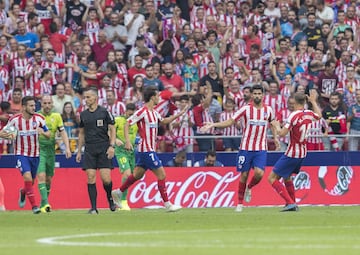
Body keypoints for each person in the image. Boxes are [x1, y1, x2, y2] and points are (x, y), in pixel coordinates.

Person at [201, 84, 279, 212]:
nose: (257, 96)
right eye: (255, 94)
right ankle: (240, 203)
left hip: (261, 148)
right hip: (245, 148)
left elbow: (273, 124)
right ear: (252, 95)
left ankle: (250, 187)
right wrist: (214, 124)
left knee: (259, 173)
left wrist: (275, 137)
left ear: (263, 95)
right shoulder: (245, 109)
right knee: (244, 174)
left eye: (260, 94)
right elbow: (230, 121)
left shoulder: (269, 110)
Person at [111, 85, 188, 212]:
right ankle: (168, 204)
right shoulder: (142, 112)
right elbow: (127, 124)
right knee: (162, 175)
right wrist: (128, 141)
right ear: (152, 97)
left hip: (147, 150)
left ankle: (118, 192)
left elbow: (163, 121)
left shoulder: (154, 112)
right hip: (146, 150)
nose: (159, 98)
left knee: (136, 175)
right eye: (157, 96)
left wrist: (179, 114)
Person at [269, 90, 321, 211]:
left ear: (295, 103)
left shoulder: (293, 115)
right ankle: (292, 204)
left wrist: (276, 125)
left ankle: (290, 202)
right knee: (286, 177)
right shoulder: (308, 113)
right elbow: (319, 116)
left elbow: (282, 133)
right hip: (303, 152)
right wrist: (313, 102)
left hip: (292, 152)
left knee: (271, 178)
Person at [0, 96, 51, 214]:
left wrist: (43, 132)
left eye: (34, 105)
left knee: (31, 182)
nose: (34, 108)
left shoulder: (39, 119)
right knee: (27, 177)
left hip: (35, 155)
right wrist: (8, 135)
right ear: (24, 107)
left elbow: (48, 134)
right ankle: (34, 206)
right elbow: (3, 133)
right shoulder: (14, 120)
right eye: (31, 105)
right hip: (21, 154)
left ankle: (23, 192)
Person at [75, 87, 116, 214]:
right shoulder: (83, 115)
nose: (85, 100)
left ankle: (110, 199)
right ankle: (93, 207)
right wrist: (79, 151)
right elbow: (81, 133)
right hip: (89, 149)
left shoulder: (104, 112)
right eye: (85, 97)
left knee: (106, 179)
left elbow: (113, 129)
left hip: (103, 147)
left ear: (95, 98)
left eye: (88, 97)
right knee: (91, 177)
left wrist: (112, 146)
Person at [37, 95, 72, 213]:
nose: (47, 105)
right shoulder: (37, 116)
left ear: (52, 104)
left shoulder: (57, 116)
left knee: (48, 179)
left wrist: (67, 147)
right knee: (41, 176)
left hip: (51, 151)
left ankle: (43, 204)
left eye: (49, 103)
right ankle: (46, 203)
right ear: (41, 104)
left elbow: (63, 133)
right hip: (39, 150)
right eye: (44, 103)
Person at [114, 103, 138, 211]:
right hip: (121, 150)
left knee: (131, 177)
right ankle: (123, 201)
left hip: (132, 151)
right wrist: (114, 140)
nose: (131, 114)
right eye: (129, 112)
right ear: (126, 111)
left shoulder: (136, 122)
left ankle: (118, 195)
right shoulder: (118, 120)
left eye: (133, 112)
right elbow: (109, 131)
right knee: (127, 173)